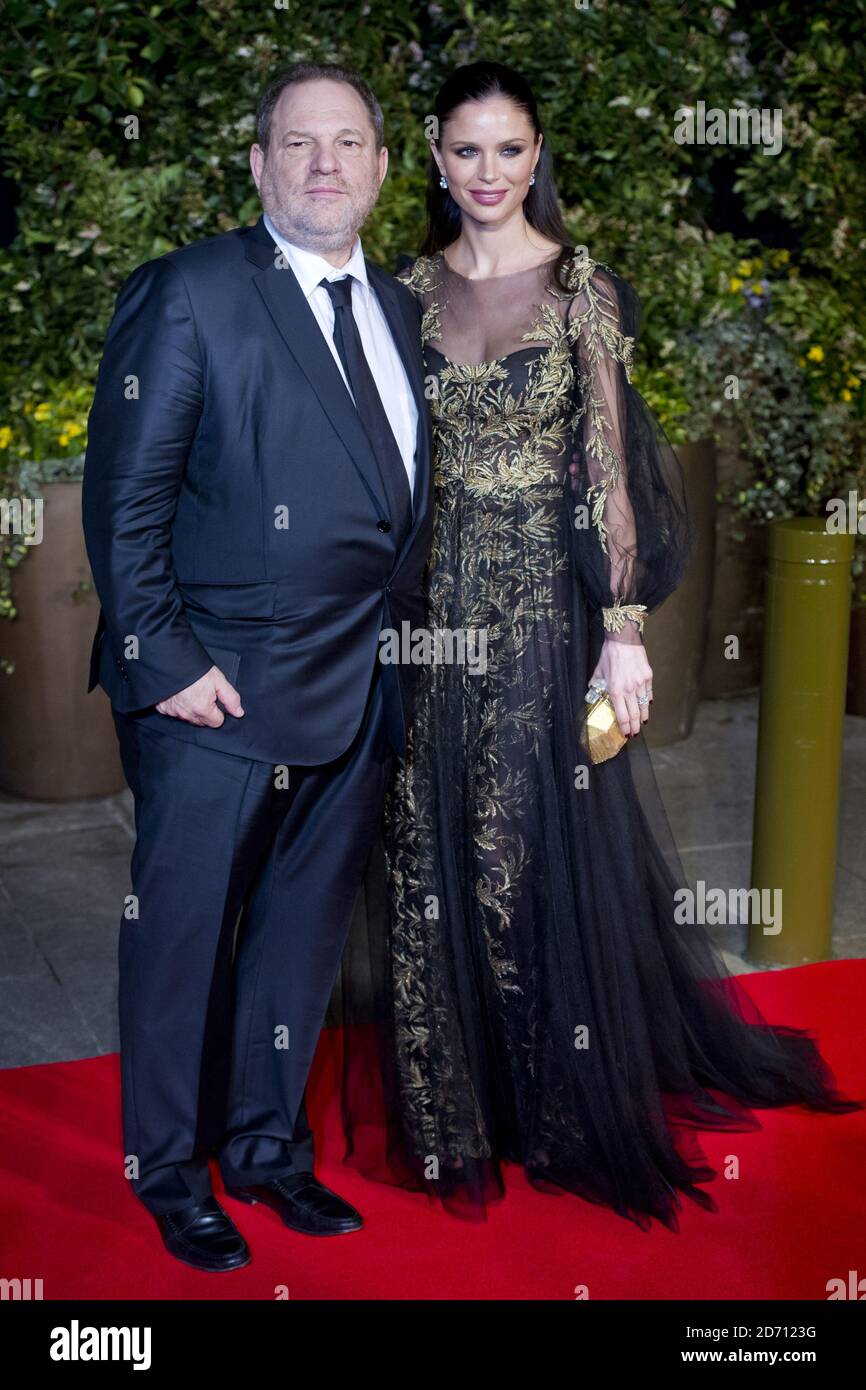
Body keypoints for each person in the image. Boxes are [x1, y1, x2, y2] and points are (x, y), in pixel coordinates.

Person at [338, 60, 863, 1232]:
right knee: (424, 848)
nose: (486, 173)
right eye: (465, 151)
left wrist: (622, 629)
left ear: (538, 159)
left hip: (536, 609)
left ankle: (556, 1102)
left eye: (508, 151)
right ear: (432, 157)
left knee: (523, 845)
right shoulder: (401, 291)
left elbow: (609, 467)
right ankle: (451, 1111)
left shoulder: (581, 287)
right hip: (425, 618)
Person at [82, 62, 432, 1270]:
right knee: (182, 938)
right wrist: (163, 654)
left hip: (353, 688)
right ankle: (170, 1173)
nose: (324, 164)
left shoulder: (393, 307)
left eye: (347, 143)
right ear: (258, 165)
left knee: (297, 938)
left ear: (384, 169)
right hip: (212, 693)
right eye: (297, 143)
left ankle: (268, 1151)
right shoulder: (192, 293)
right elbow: (123, 498)